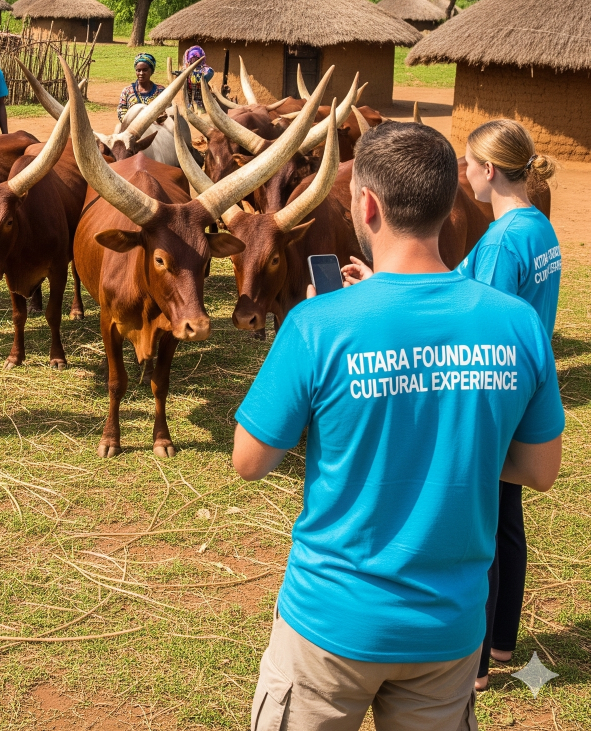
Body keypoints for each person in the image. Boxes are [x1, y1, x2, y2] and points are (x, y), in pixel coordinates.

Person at [232, 121, 564, 731]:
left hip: (332, 624)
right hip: (449, 634)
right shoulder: (517, 326)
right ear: (450, 201)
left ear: (366, 204)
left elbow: (250, 461)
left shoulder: (317, 325)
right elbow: (540, 471)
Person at [459, 119, 561, 692]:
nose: (464, 173)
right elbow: (466, 284)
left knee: (482, 529)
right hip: (529, 389)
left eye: (468, 163)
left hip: (494, 396)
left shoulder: (500, 239)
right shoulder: (537, 227)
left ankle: (472, 667)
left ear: (489, 170)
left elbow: (483, 326)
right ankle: (502, 643)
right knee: (507, 523)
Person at [116, 53, 164, 122]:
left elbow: (167, 110)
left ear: (152, 71)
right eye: (138, 70)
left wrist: (162, 116)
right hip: (131, 129)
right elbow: (121, 111)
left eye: (145, 70)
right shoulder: (127, 91)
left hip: (156, 129)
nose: (141, 73)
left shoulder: (161, 91)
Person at [182, 45, 214, 111]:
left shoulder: (205, 69)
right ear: (188, 59)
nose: (194, 60)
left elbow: (210, 73)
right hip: (189, 97)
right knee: (189, 111)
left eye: (196, 59)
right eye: (192, 58)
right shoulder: (186, 70)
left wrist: (199, 78)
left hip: (201, 97)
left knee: (201, 112)